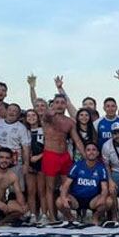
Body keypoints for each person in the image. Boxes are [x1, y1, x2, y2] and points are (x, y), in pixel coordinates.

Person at [39, 76, 86, 220]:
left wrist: (86, 156)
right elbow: (46, 115)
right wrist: (49, 111)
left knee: (67, 186)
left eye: (62, 102)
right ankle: (52, 218)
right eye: (57, 102)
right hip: (51, 154)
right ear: (53, 104)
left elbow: (77, 140)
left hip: (64, 156)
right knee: (50, 188)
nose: (59, 105)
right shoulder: (48, 118)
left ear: (66, 105)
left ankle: (67, 214)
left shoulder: (69, 122)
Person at [57, 142, 112, 224]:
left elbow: (104, 188)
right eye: (88, 150)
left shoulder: (101, 167)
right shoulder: (77, 165)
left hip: (93, 199)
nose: (91, 152)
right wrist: (64, 197)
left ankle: (95, 217)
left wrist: (103, 198)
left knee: (109, 201)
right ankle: (71, 218)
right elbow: (66, 185)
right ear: (85, 153)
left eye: (94, 150)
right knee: (59, 201)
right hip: (76, 199)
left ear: (97, 153)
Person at [0, 103, 31, 189]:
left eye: (15, 111)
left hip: (15, 162)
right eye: (10, 110)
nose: (12, 112)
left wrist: (26, 164)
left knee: (15, 189)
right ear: (6, 111)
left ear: (18, 115)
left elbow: (26, 148)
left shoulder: (22, 128)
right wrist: (3, 150)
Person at [24, 109, 46, 222]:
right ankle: (33, 215)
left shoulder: (43, 130)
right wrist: (27, 162)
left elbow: (48, 147)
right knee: (31, 191)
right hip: (29, 164)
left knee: (42, 191)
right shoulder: (25, 131)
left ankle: (44, 214)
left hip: (42, 163)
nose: (31, 117)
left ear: (38, 117)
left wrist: (39, 156)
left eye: (34, 115)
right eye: (29, 115)